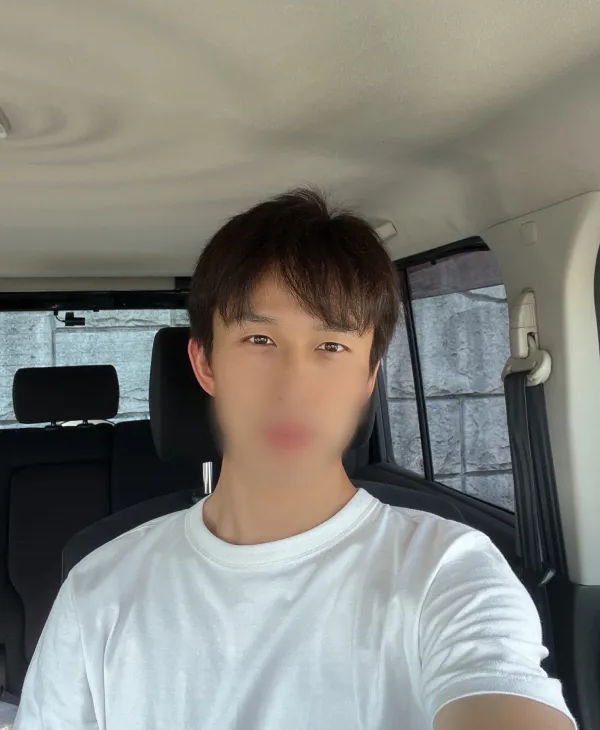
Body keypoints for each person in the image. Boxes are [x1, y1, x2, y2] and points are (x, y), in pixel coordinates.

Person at [15, 189, 576, 730]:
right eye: (259, 340)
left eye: (331, 347)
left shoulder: (447, 572)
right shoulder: (99, 588)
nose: (294, 388)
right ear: (205, 364)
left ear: (368, 378)